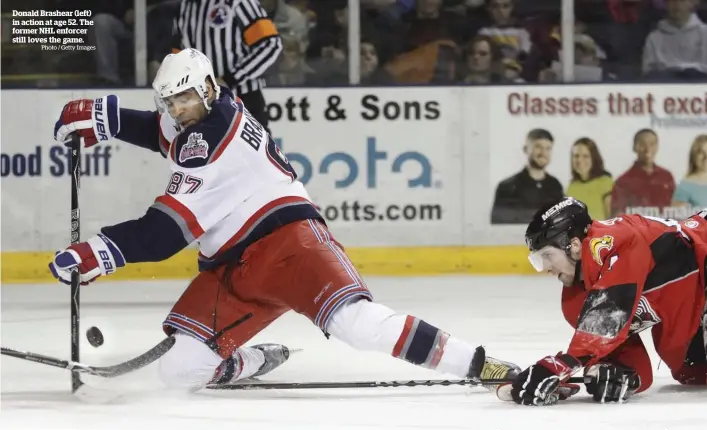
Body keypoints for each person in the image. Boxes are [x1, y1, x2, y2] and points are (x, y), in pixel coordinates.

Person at [50, 48, 519, 391]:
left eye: (185, 99)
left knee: (359, 326)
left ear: (209, 88)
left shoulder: (207, 145)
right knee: (178, 372)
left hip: (290, 245)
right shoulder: (211, 108)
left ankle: (480, 363)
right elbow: (164, 130)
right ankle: (249, 360)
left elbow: (162, 235)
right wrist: (107, 118)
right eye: (170, 102)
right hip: (233, 268)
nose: (177, 110)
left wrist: (98, 252)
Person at [504, 197, 707, 406]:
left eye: (547, 255)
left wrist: (560, 366)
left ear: (573, 245)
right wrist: (617, 377)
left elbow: (608, 314)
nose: (546, 267)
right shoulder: (575, 304)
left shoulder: (613, 241)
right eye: (539, 259)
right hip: (691, 300)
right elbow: (636, 369)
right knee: (692, 371)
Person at [173, 0, 283, 133]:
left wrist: (230, 79)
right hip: (200, 105)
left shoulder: (239, 2)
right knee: (206, 153)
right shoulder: (185, 5)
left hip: (243, 99)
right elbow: (178, 53)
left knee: (252, 153)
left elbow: (270, 44)